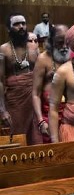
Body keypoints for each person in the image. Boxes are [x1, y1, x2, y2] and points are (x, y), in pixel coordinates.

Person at [0, 13, 41, 144]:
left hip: (34, 99)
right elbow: (0, 82)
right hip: (14, 102)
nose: (21, 26)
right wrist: (2, 110)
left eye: (23, 23)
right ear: (8, 29)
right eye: (16, 24)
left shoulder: (34, 48)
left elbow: (42, 76)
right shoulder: (3, 50)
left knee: (36, 137)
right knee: (16, 138)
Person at [32, 24, 70, 143]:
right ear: (51, 41)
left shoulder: (73, 57)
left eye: (67, 42)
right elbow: (35, 94)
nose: (64, 47)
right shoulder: (43, 59)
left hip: (69, 115)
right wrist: (40, 121)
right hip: (47, 115)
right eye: (59, 42)